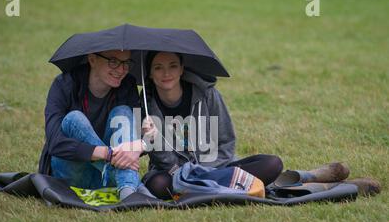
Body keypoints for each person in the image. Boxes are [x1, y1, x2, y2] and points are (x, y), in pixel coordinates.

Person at [141, 51, 284, 199]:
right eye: (158, 68)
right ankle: (230, 187)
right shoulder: (146, 104)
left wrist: (203, 172)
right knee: (158, 185)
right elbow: (164, 163)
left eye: (173, 66)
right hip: (173, 173)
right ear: (150, 73)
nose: (166, 73)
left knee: (272, 164)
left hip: (216, 168)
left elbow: (226, 142)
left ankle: (196, 189)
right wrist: (153, 139)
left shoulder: (207, 94)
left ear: (182, 69)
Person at [38, 50, 153, 200]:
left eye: (126, 63)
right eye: (113, 61)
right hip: (71, 177)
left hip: (105, 179)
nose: (121, 70)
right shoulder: (64, 84)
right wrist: (107, 153)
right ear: (92, 60)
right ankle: (132, 189)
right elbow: (55, 142)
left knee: (123, 112)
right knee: (74, 119)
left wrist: (141, 143)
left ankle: (128, 188)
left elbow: (136, 140)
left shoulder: (127, 85)